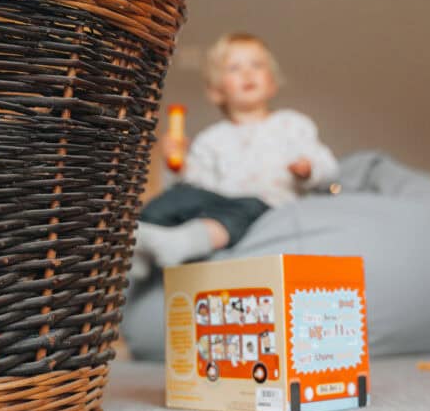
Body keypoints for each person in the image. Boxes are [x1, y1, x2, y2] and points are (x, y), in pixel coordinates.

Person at [132, 32, 338, 278]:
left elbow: (329, 167)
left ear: (272, 82)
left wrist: (309, 169)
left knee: (246, 206)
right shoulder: (211, 139)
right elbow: (196, 185)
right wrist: (176, 166)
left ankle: (182, 243)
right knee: (176, 198)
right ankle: (138, 246)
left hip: (268, 208)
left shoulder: (292, 125)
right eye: (234, 68)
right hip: (220, 204)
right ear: (217, 91)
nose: (247, 73)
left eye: (256, 65)